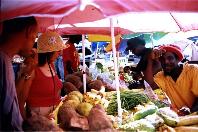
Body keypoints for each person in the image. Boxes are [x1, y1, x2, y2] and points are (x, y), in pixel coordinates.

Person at [0, 16, 38, 131]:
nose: (33, 45)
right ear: (29, 31)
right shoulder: (2, 61)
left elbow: (11, 102)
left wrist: (25, 74)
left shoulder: (5, 60)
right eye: (35, 37)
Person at [23, 31, 66, 117]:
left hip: (53, 114)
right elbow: (21, 99)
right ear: (48, 52)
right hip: (38, 118)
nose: (61, 53)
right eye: (58, 50)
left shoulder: (51, 65)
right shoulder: (32, 69)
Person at [144, 44, 198, 112]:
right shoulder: (161, 76)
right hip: (179, 118)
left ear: (178, 59)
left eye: (170, 58)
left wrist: (190, 111)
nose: (166, 62)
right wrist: (150, 60)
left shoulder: (193, 70)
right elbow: (149, 86)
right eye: (162, 59)